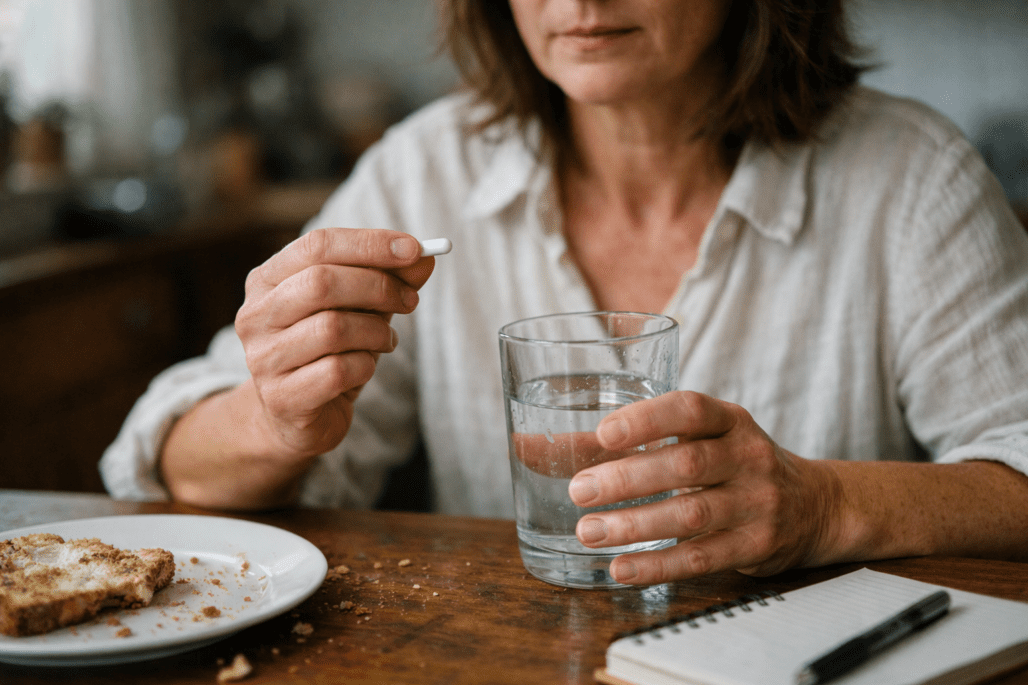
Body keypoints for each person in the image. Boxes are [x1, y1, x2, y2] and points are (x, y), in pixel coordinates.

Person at [101, 0, 1028, 585]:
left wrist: (824, 505)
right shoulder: (424, 170)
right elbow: (169, 461)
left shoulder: (914, 179)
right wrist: (274, 420)